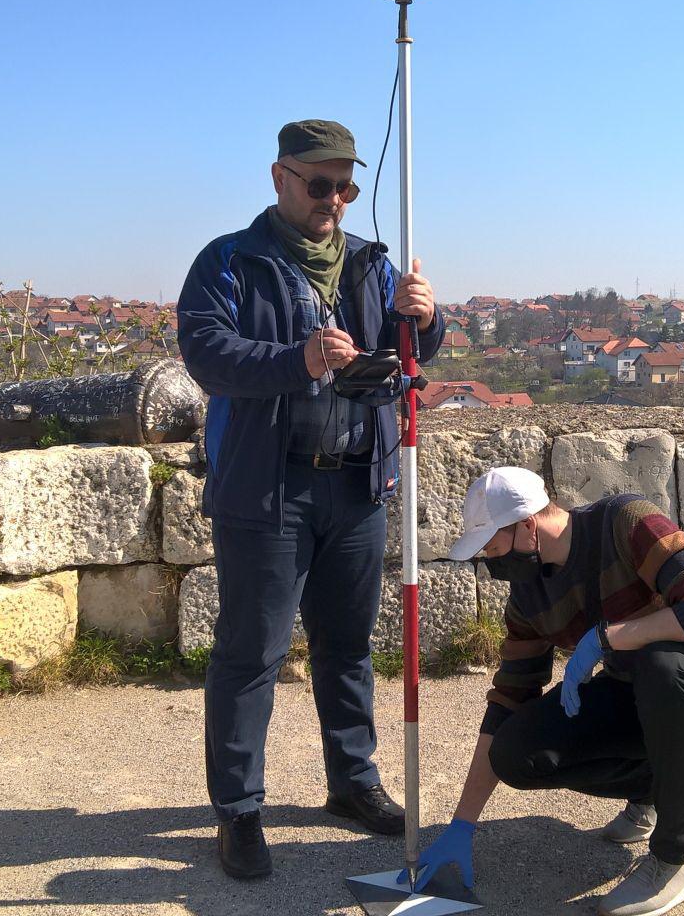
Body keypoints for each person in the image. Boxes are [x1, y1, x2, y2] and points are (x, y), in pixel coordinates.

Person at [176, 119, 444, 879]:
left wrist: (426, 318)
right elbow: (207, 354)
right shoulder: (229, 261)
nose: (334, 199)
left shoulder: (373, 264)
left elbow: (411, 356)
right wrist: (296, 359)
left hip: (358, 481)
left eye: (345, 187)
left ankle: (353, 783)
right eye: (319, 184)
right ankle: (239, 811)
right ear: (279, 178)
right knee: (250, 655)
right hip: (269, 488)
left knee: (347, 647)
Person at [414, 467, 684, 916]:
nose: (491, 563)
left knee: (661, 663)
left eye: (493, 547)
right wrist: (462, 825)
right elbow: (508, 700)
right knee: (516, 752)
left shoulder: (626, 522)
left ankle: (678, 857)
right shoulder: (528, 595)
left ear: (528, 525)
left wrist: (610, 637)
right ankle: (654, 791)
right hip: (648, 696)